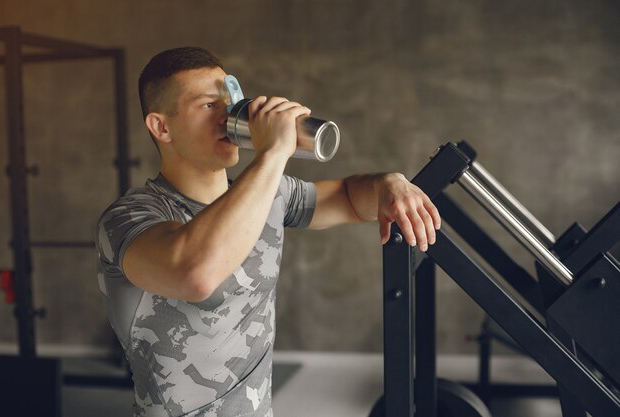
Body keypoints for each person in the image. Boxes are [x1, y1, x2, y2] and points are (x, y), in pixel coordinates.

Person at [95, 47, 440, 417]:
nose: (228, 115)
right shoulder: (128, 218)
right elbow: (194, 273)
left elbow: (352, 199)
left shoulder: (269, 193)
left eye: (231, 101)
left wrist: (390, 182)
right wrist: (273, 152)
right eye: (210, 106)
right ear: (161, 127)